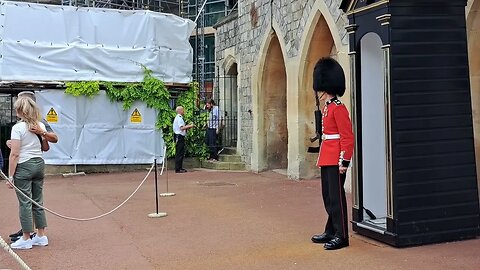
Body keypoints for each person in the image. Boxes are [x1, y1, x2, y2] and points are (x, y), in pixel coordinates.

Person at [310, 57, 354, 250]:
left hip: (336, 159)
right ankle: (330, 230)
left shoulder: (338, 108)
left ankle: (342, 235)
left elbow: (347, 137)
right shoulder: (328, 108)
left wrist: (344, 161)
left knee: (336, 198)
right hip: (327, 157)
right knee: (328, 196)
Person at [9, 91, 58, 243]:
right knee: (38, 201)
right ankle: (41, 235)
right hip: (39, 164)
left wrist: (10, 176)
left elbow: (15, 154)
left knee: (25, 202)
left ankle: (25, 238)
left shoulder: (17, 127)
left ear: (20, 110)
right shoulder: (41, 124)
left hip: (24, 165)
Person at [173, 106, 194, 173]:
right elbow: (181, 128)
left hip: (179, 136)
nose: (184, 111)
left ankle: (179, 167)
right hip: (179, 136)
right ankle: (178, 168)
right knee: (179, 152)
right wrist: (190, 126)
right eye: (183, 110)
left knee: (180, 152)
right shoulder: (179, 118)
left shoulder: (179, 117)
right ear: (180, 111)